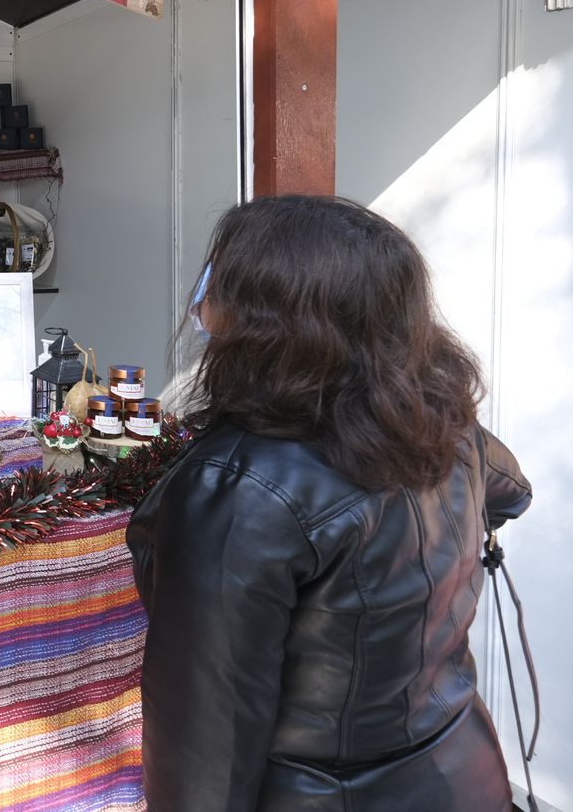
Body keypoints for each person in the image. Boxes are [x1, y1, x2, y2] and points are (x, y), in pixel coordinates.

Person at [127, 195, 532, 812]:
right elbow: (513, 494)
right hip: (466, 773)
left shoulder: (238, 486)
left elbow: (205, 754)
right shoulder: (443, 428)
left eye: (217, 281)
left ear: (263, 316)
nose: (202, 301)